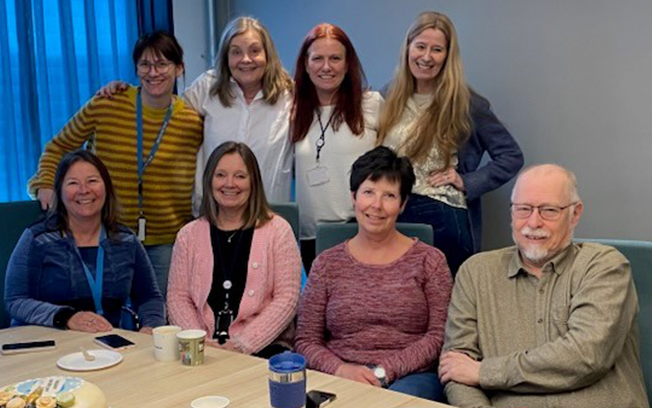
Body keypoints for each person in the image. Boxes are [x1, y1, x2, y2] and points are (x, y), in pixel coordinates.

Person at [438, 164, 649, 408]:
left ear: (575, 214)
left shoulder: (604, 266)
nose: (534, 222)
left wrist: (484, 372)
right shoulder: (476, 273)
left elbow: (585, 356)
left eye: (549, 210)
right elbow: (456, 368)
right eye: (523, 209)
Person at [28, 31, 203, 298]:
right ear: (136, 68)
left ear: (179, 68)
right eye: (145, 64)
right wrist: (45, 183)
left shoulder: (192, 122)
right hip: (107, 232)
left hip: (167, 240)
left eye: (162, 64)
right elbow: (58, 147)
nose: (153, 72)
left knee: (157, 315)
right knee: (103, 312)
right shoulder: (106, 104)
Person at [296, 146, 453, 401]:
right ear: (354, 197)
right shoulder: (326, 263)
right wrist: (340, 369)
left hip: (410, 378)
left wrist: (383, 372)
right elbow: (305, 340)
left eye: (389, 195)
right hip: (338, 374)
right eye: (368, 192)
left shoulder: (430, 261)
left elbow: (439, 336)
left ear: (402, 204)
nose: (376, 205)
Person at [378, 11, 523, 275]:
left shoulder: (465, 102)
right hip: (393, 214)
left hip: (442, 216)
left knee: (445, 308)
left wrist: (467, 181)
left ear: (448, 55)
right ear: (408, 48)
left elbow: (511, 155)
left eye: (437, 49)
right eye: (420, 46)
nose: (426, 57)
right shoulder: (387, 95)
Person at [97, 17, 294, 204]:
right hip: (213, 214)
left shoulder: (290, 96)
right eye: (235, 52)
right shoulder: (207, 87)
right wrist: (130, 92)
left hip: (268, 215)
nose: (246, 59)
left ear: (268, 55)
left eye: (254, 51)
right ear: (226, 57)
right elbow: (166, 114)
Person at [5, 150, 165, 333]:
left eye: (92, 181)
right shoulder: (38, 239)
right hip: (48, 343)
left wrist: (151, 327)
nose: (84, 190)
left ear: (106, 187)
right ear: (60, 191)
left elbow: (150, 297)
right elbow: (16, 300)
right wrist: (66, 317)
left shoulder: (126, 240)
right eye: (73, 183)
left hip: (107, 345)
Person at [167, 142, 301, 358]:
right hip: (202, 349)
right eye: (221, 175)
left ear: (253, 182)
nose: (229, 184)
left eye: (240, 176)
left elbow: (287, 298)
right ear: (209, 179)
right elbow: (177, 298)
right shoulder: (188, 235)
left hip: (263, 349)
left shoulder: (278, 231)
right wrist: (198, 341)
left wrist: (243, 345)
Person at [292, 23, 383, 272]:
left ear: (347, 63)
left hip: (363, 229)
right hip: (312, 235)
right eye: (317, 58)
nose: (326, 67)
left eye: (335, 58)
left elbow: (394, 164)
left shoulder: (371, 104)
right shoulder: (293, 111)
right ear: (306, 64)